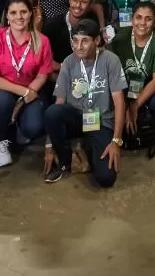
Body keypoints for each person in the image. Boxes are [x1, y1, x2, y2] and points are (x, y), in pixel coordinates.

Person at [43, 19, 126, 186]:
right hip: (76, 117)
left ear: (96, 41)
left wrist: (116, 141)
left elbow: (119, 103)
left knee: (106, 179)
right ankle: (65, 160)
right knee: (52, 112)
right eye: (75, 40)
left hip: (100, 121)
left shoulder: (111, 60)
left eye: (85, 41)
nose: (78, 46)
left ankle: (86, 147)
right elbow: (60, 101)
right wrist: (49, 144)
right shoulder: (68, 62)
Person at [0, 0, 54, 167]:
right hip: (3, 90)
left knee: (33, 128)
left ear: (31, 14)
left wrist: (26, 96)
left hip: (31, 89)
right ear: (7, 16)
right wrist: (24, 92)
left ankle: (17, 127)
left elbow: (42, 75)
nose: (19, 17)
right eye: (13, 13)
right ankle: (1, 141)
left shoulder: (42, 41)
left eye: (23, 12)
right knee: (1, 102)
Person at [109, 2, 155, 131]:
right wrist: (123, 105)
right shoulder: (120, 37)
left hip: (150, 84)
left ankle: (152, 127)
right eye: (138, 17)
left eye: (148, 19)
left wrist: (135, 105)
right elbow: (111, 74)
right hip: (126, 84)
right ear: (132, 19)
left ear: (154, 23)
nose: (142, 23)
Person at [43, 0, 102, 73]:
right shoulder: (52, 26)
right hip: (60, 78)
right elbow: (48, 66)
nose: (78, 5)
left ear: (90, 4)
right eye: (75, 0)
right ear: (70, 0)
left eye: (84, 2)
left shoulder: (92, 22)